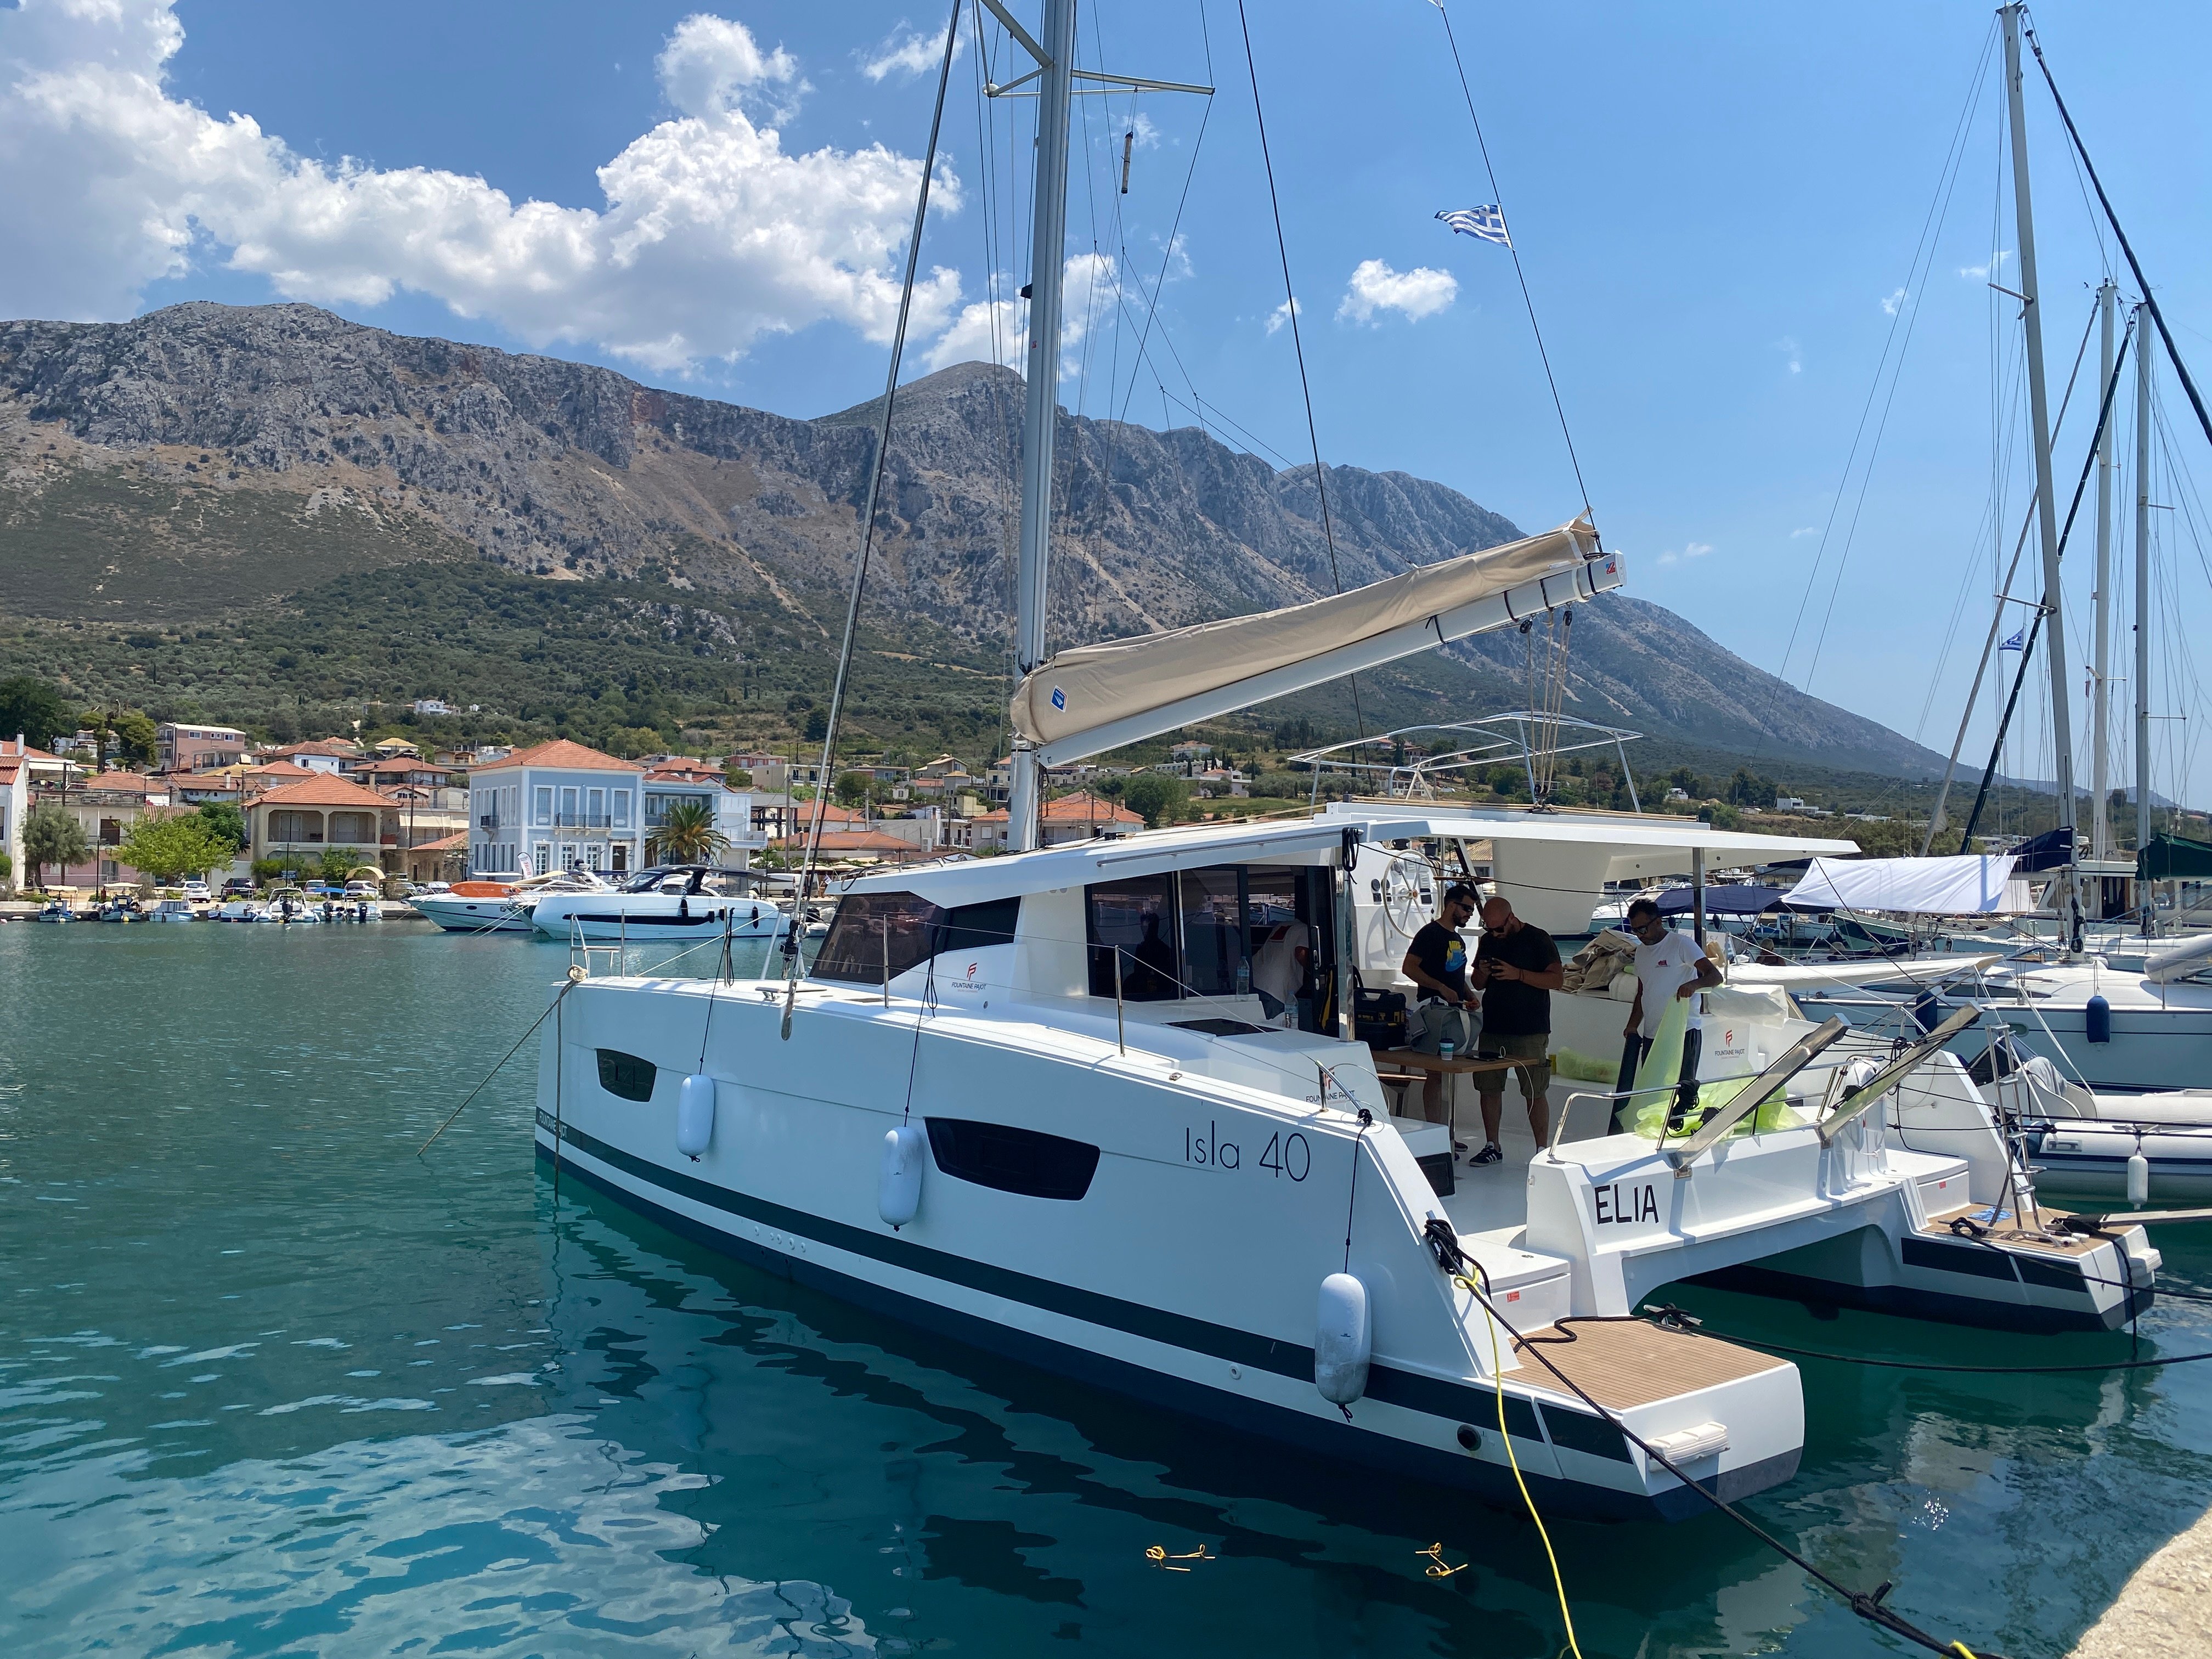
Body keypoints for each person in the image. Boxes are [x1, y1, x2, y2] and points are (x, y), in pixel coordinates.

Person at [1468, 896, 1564, 1163]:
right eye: (1490, 929)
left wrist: (1518, 974)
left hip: (1530, 1029)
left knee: (1534, 1090)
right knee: (1488, 1088)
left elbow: (1557, 979)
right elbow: (1477, 981)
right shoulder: (1488, 941)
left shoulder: (1538, 939)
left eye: (1499, 928)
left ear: (1512, 918)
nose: (1496, 934)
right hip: (1493, 1026)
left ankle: (1541, 1151)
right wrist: (1485, 972)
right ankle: (1492, 1145)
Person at [1620, 897, 1724, 1128]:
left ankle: (1680, 1126)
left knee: (1684, 1087)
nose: (1640, 935)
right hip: (1653, 1032)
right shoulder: (1641, 953)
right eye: (1634, 930)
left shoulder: (1681, 945)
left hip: (1683, 1029)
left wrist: (1693, 985)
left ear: (1658, 922)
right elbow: (1642, 991)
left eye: (1643, 928)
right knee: (1654, 1085)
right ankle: (1654, 1129)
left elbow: (1715, 977)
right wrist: (1633, 1025)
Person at [1400, 883, 1480, 1127]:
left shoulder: (1457, 939)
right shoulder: (1429, 934)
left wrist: (1469, 994)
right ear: (1451, 905)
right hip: (1432, 1010)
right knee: (1435, 1073)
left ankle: (1445, 1130)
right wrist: (1440, 988)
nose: (1470, 914)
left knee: (1447, 1071)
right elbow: (1409, 967)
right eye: (1467, 908)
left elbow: (1455, 974)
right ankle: (1436, 1128)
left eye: (1472, 910)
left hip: (1453, 1013)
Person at [1249, 919, 1312, 1025]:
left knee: (1257, 1025)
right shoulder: (1304, 929)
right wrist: (1313, 971)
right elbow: (1301, 953)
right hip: (1274, 989)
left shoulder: (1283, 925)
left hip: (1255, 978)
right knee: (1274, 1031)